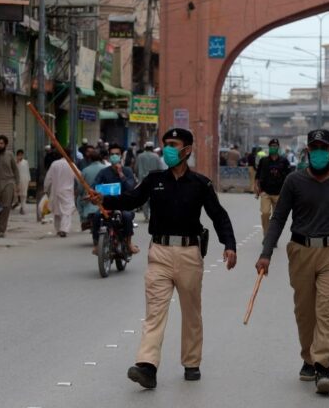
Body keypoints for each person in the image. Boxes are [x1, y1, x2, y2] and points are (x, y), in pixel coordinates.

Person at [89, 128, 237, 389]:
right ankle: (147, 366)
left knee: (191, 313)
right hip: (159, 253)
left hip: (190, 254)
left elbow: (218, 215)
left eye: (173, 144)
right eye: (166, 144)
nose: (168, 149)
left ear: (187, 150)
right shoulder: (154, 180)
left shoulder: (201, 184)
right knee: (154, 312)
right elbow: (131, 199)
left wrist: (230, 245)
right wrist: (105, 200)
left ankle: (191, 362)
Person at [255, 128, 329, 395]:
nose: (319, 152)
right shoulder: (293, 181)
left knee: (327, 310)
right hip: (301, 251)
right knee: (305, 312)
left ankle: (323, 366)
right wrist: (266, 253)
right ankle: (308, 358)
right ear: (308, 151)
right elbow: (278, 218)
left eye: (323, 148)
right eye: (314, 148)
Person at [93, 144, 139, 254]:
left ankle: (129, 243)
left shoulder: (127, 171)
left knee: (127, 216)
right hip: (107, 204)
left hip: (124, 204)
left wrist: (121, 174)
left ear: (121, 156)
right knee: (96, 216)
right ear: (109, 157)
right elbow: (94, 185)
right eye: (112, 154)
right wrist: (92, 192)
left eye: (117, 154)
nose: (114, 156)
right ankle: (97, 244)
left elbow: (130, 187)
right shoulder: (103, 172)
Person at [255, 138, 291, 237]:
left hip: (279, 194)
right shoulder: (264, 161)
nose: (273, 148)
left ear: (278, 147)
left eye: (275, 146)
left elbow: (289, 177)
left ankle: (273, 237)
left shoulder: (284, 161)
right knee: (265, 213)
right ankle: (267, 236)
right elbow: (257, 176)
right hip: (265, 192)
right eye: (271, 146)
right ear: (269, 147)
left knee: (277, 217)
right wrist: (256, 188)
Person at [0, 135, 19, 237]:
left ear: (5, 144)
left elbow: (15, 170)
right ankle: (0, 220)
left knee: (6, 206)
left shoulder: (10, 155)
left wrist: (17, 184)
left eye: (1, 143)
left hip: (9, 183)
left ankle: (2, 230)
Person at [77, 149, 107, 244]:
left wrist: (81, 194)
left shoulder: (85, 170)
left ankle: (84, 220)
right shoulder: (106, 168)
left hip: (90, 199)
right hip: (104, 198)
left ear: (89, 159)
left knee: (79, 199)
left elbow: (80, 188)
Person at [44, 152, 76, 237]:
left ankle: (58, 229)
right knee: (67, 211)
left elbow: (48, 178)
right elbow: (79, 176)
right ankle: (64, 229)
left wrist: (45, 189)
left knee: (57, 211)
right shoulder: (71, 164)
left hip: (55, 190)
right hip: (67, 192)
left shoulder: (54, 164)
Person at [135, 141, 166, 221]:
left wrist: (137, 176)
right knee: (153, 198)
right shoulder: (156, 156)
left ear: (145, 147)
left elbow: (136, 168)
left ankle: (146, 216)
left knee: (144, 198)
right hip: (154, 180)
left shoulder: (140, 156)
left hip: (142, 180)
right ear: (152, 148)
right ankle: (153, 215)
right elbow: (160, 168)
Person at [15, 149, 31, 215]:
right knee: (17, 193)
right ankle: (16, 203)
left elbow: (28, 171)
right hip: (18, 180)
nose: (20, 156)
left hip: (25, 179)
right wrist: (17, 162)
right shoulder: (15, 162)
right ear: (17, 155)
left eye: (21, 155)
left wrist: (29, 179)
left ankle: (23, 207)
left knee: (24, 194)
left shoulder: (25, 162)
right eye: (19, 155)